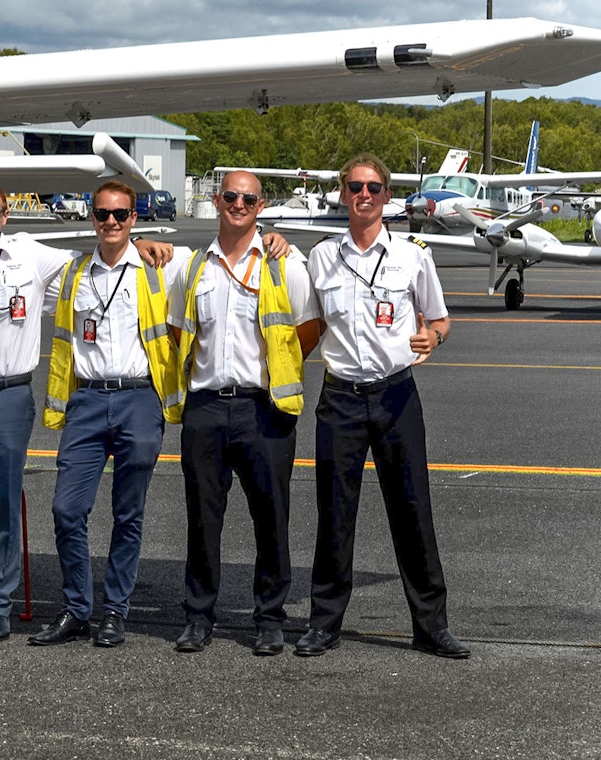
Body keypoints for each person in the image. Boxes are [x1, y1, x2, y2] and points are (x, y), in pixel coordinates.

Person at [296, 154, 469, 659]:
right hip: (341, 398)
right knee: (335, 512)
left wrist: (431, 338)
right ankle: (324, 623)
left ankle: (431, 625)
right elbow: (309, 328)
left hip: (395, 394)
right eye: (355, 187)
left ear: (387, 196)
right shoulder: (321, 258)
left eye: (373, 187)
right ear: (343, 195)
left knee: (413, 508)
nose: (364, 195)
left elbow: (439, 320)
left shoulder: (413, 255)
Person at [167, 170, 322, 656]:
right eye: (231, 196)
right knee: (202, 518)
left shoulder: (284, 264)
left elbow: (309, 326)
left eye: (248, 198)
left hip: (264, 408)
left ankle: (270, 619)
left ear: (261, 205)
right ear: (217, 200)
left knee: (271, 516)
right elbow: (177, 330)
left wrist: (279, 371)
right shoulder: (194, 268)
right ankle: (198, 616)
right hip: (207, 407)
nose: (238, 204)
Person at [28, 180, 182, 648]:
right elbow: (7, 249)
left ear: (134, 219)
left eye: (120, 214)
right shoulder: (73, 272)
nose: (111, 222)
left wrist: (276, 242)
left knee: (127, 512)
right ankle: (77, 608)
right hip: (88, 401)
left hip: (138, 399)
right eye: (102, 214)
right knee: (66, 509)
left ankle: (115, 609)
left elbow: (227, 253)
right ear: (91, 217)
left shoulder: (159, 269)